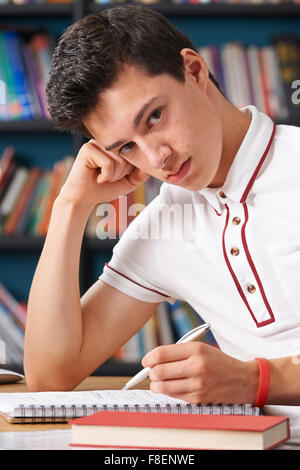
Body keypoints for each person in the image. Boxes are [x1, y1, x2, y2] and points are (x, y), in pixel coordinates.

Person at [24, 4, 300, 440]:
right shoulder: (164, 224)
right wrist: (70, 206)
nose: (157, 158)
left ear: (193, 70)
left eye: (154, 117)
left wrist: (257, 380)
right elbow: (49, 375)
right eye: (127, 147)